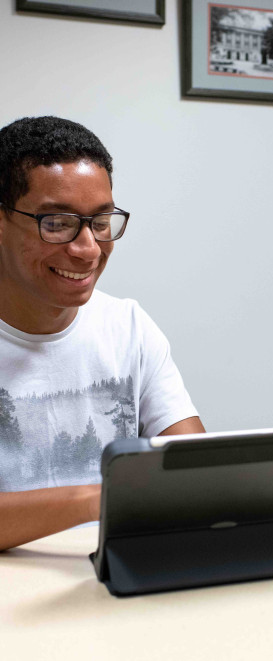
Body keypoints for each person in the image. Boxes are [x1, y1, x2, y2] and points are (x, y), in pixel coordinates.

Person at [0, 116, 204, 551]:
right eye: (56, 223)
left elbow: (194, 475)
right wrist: (100, 497)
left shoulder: (127, 327)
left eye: (101, 221)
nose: (88, 248)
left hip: (112, 584)